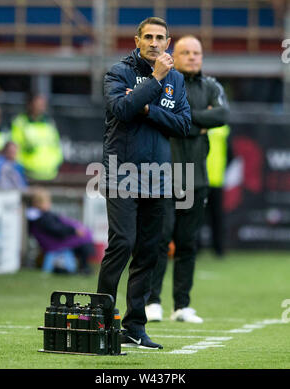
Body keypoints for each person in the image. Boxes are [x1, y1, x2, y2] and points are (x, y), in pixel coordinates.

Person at [96, 17, 192, 349]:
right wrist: (155, 80)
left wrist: (148, 107)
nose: (154, 42)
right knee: (122, 243)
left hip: (159, 177)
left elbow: (183, 124)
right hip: (121, 172)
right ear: (136, 40)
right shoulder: (117, 73)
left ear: (168, 42)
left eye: (160, 38)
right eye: (147, 37)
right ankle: (102, 320)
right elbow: (122, 109)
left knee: (150, 251)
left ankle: (135, 326)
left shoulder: (176, 79)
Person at [145, 35, 230, 323]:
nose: (193, 57)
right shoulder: (164, 83)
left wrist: (182, 119)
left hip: (196, 176)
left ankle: (181, 305)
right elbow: (155, 116)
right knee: (160, 239)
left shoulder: (212, 86)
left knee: (187, 242)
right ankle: (151, 301)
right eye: (186, 52)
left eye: (197, 52)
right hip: (166, 175)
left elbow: (222, 114)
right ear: (175, 55)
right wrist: (198, 122)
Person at [26, 187, 94, 275]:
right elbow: (56, 230)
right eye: (47, 201)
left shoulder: (38, 216)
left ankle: (83, 266)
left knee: (85, 236)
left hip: (55, 240)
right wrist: (73, 230)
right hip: (54, 242)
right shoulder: (43, 217)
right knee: (85, 239)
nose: (49, 203)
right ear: (40, 203)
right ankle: (84, 267)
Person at [11, 94, 63, 181]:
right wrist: (21, 167)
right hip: (28, 175)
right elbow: (15, 148)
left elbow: (56, 145)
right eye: (38, 104)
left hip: (51, 174)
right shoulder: (20, 122)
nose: (41, 107)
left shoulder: (49, 123)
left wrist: (57, 163)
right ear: (30, 105)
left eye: (43, 104)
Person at [206, 124, 232, 258]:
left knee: (214, 216)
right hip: (206, 178)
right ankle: (218, 249)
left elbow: (230, 153)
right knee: (212, 216)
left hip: (208, 178)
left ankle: (218, 248)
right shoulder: (223, 127)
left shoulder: (222, 128)